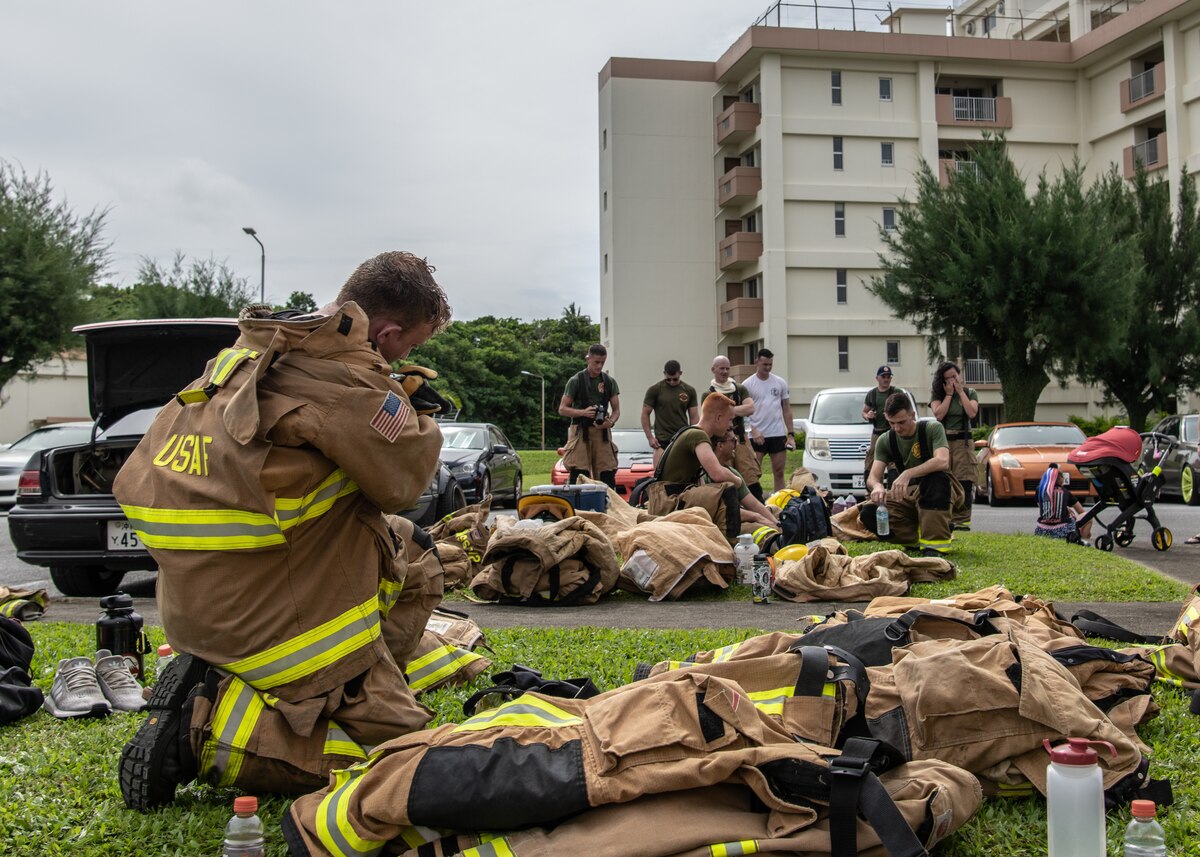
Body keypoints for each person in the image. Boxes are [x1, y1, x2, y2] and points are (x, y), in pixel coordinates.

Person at [113, 251, 454, 809]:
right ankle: (205, 730)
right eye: (410, 346)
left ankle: (337, 679)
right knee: (409, 761)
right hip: (279, 626)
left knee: (416, 557)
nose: (406, 356)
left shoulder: (247, 356)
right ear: (388, 332)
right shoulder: (347, 383)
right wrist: (415, 413)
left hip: (198, 602)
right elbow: (404, 481)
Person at [657, 394, 778, 534]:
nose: (731, 425)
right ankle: (731, 538)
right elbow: (718, 474)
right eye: (730, 420)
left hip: (671, 499)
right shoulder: (698, 435)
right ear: (718, 418)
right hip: (668, 502)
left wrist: (773, 522)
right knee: (726, 487)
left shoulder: (692, 433)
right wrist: (737, 481)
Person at [864, 392, 957, 556]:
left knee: (935, 481)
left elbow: (942, 461)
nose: (897, 428)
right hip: (907, 495)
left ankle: (934, 546)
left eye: (901, 422)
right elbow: (873, 477)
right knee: (869, 512)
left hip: (943, 490)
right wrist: (877, 487)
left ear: (912, 415)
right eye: (891, 423)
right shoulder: (885, 440)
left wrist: (907, 473)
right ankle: (912, 540)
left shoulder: (932, 428)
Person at [557, 343, 621, 488]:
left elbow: (616, 410)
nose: (599, 366)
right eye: (596, 362)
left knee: (607, 473)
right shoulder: (575, 381)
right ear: (588, 359)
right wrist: (583, 412)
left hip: (602, 432)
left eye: (602, 363)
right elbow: (562, 409)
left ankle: (609, 507)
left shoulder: (609, 381)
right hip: (580, 431)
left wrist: (610, 422)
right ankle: (578, 508)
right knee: (579, 473)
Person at [702, 355, 762, 500]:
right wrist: (736, 410)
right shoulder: (709, 394)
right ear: (713, 370)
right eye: (721, 368)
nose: (724, 371)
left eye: (727, 368)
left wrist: (727, 412)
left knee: (750, 479)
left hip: (741, 441)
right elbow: (709, 418)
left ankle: (759, 507)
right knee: (726, 480)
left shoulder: (740, 389)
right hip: (720, 445)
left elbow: (750, 408)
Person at [930, 361, 979, 531]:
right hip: (944, 441)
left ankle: (963, 520)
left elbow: (972, 412)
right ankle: (946, 518)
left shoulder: (969, 392)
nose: (952, 380)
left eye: (955, 376)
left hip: (963, 441)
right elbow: (938, 414)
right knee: (944, 479)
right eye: (948, 378)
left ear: (960, 375)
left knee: (964, 479)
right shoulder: (938, 394)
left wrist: (960, 392)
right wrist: (949, 395)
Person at [742, 349, 794, 493]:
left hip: (776, 433)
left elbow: (787, 409)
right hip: (757, 435)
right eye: (765, 364)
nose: (768, 367)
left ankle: (778, 505)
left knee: (779, 473)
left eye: (770, 364)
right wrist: (753, 430)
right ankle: (754, 506)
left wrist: (791, 434)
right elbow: (743, 413)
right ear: (757, 362)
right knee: (753, 474)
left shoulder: (779, 382)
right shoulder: (747, 384)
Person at [640, 359, 698, 466]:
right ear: (664, 374)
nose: (671, 382)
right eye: (668, 379)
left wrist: (693, 438)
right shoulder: (655, 390)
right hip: (661, 442)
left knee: (684, 476)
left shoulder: (689, 390)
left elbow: (694, 417)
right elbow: (645, 413)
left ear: (680, 373)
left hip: (682, 439)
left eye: (675, 379)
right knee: (659, 477)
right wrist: (650, 438)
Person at [862, 365, 909, 486]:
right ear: (877, 378)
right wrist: (868, 415)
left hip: (893, 432)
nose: (886, 379)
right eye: (883, 376)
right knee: (871, 462)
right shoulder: (872, 394)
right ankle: (872, 493)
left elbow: (906, 409)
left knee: (894, 461)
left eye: (889, 377)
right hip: (877, 432)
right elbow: (864, 411)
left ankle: (893, 491)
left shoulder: (896, 392)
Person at [1034, 464, 1093, 543]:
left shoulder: (1040, 490)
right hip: (1062, 531)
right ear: (1060, 479)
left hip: (1042, 531)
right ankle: (1083, 540)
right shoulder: (1065, 491)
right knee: (1088, 516)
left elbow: (1042, 506)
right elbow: (1081, 511)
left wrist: (1063, 507)